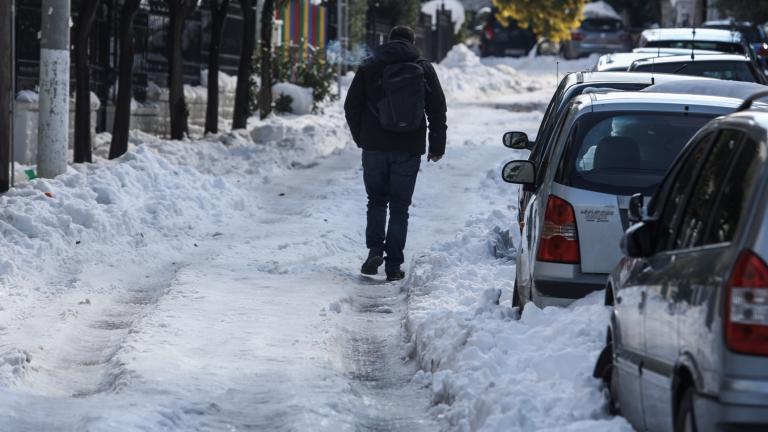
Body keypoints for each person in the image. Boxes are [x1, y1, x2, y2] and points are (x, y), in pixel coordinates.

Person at [344, 25, 447, 281]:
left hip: (374, 147)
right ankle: (393, 265)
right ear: (413, 42)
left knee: (376, 200)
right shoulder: (423, 67)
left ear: (388, 40)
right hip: (408, 147)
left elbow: (351, 105)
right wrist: (437, 146)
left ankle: (374, 252)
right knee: (400, 207)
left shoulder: (370, 65)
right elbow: (437, 110)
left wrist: (362, 137)